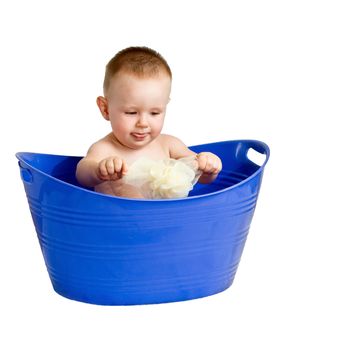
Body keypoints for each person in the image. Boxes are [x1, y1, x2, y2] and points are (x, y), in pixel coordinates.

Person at [76, 46, 222, 198]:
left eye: (154, 113)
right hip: (117, 220)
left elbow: (200, 175)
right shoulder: (105, 149)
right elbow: (82, 175)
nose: (143, 123)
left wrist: (209, 166)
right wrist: (99, 170)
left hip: (169, 219)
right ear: (105, 109)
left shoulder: (170, 146)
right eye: (131, 112)